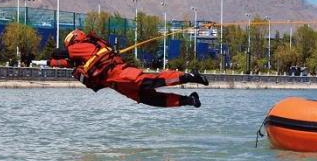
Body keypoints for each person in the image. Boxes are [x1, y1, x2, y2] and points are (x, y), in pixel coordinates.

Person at [48, 29, 208, 108]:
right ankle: (190, 100)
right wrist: (50, 63)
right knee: (151, 99)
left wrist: (53, 57)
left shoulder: (82, 46)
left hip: (118, 73)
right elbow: (63, 62)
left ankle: (190, 76)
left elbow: (59, 54)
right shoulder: (82, 58)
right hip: (117, 84)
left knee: (149, 81)